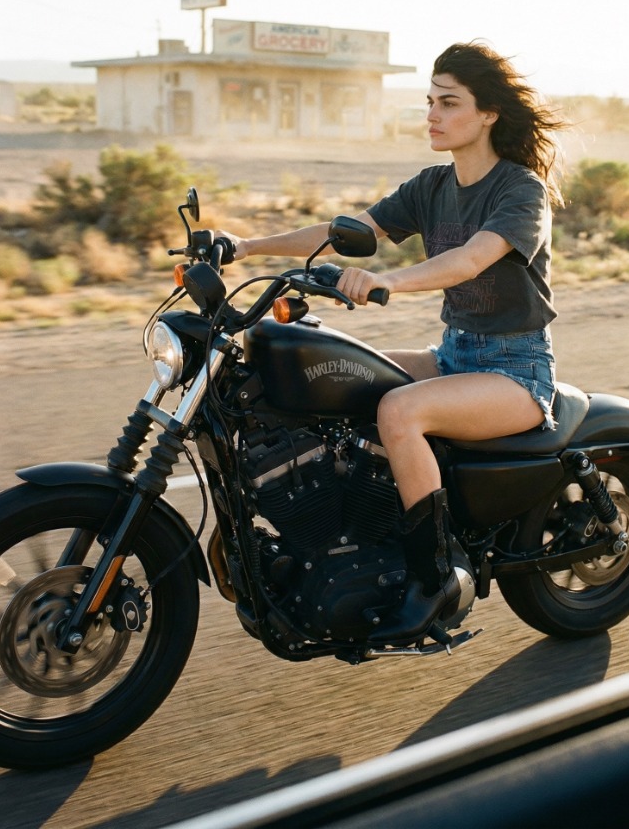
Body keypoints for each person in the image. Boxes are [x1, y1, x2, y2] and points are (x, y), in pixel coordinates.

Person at [221, 41, 566, 645]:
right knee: (316, 369)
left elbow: (470, 259)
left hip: (516, 371)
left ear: (488, 114)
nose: (432, 114)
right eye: (429, 101)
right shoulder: (432, 186)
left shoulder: (520, 191)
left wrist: (389, 281)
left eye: (448, 102)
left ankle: (433, 579)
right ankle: (344, 535)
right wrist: (245, 248)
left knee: (398, 409)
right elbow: (346, 232)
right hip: (455, 355)